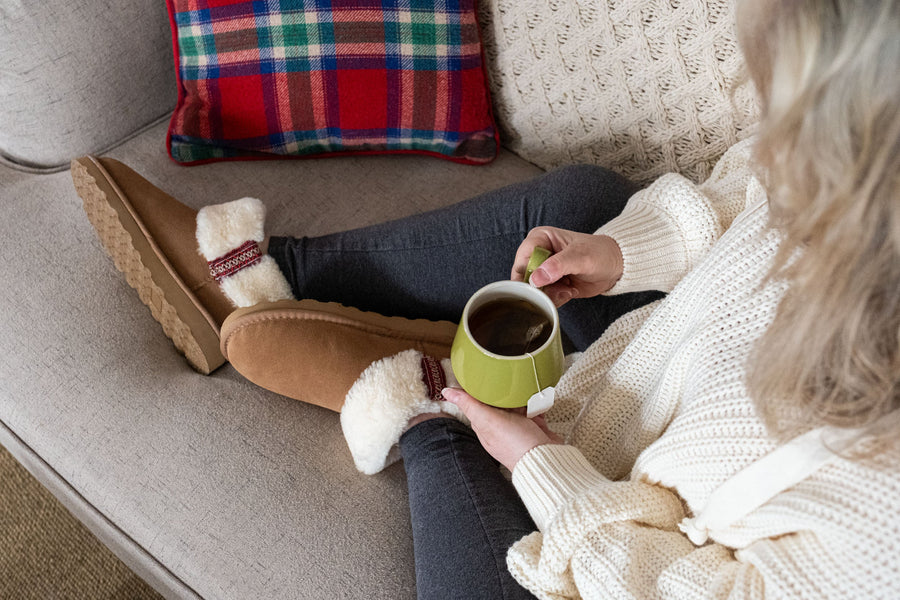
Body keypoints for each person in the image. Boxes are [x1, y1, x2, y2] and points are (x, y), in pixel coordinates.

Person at [74, 0, 899, 598]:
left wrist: (538, 466)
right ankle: (270, 273)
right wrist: (623, 253)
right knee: (582, 199)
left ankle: (424, 401)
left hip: (621, 531)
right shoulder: (863, 144)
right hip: (623, 378)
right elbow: (748, 183)